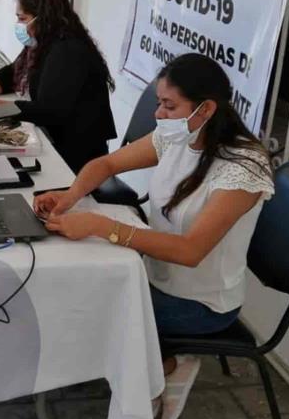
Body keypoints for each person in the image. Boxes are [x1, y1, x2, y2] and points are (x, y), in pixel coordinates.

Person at [33, 53, 275, 382]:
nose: (159, 114)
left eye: (169, 106)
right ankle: (147, 365)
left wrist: (102, 226)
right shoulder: (178, 134)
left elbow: (190, 251)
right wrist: (70, 196)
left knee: (85, 304)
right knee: (75, 286)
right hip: (154, 276)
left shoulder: (243, 168)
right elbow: (106, 165)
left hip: (200, 304)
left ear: (206, 109)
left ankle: (163, 368)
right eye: (160, 103)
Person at [0, 0, 117, 173]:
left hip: (78, 155)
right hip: (57, 138)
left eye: (23, 19)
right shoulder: (44, 42)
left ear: (43, 17)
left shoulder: (67, 50)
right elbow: (13, 73)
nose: (19, 25)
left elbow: (48, 111)